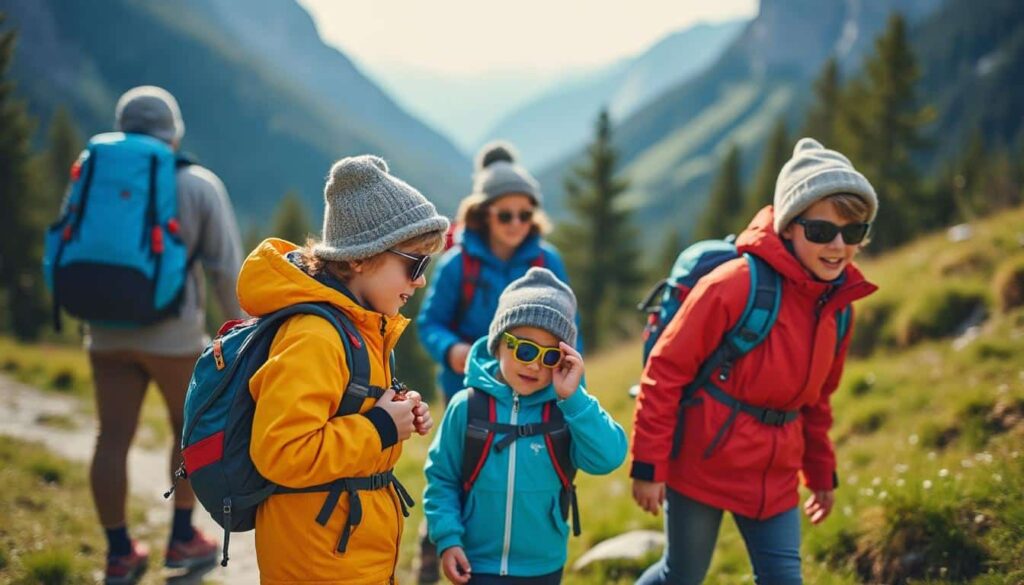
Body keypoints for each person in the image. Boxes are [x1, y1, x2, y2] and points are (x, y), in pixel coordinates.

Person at [631, 138, 879, 584]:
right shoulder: (733, 285)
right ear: (788, 227)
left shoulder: (839, 309)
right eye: (821, 231)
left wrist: (820, 472)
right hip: (702, 464)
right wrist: (649, 465)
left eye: (853, 232)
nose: (838, 246)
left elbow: (817, 400)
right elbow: (665, 371)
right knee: (681, 575)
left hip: (775, 476)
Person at [237, 154, 447, 583]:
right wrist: (381, 428)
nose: (421, 280)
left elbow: (345, 412)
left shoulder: (362, 326)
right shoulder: (314, 336)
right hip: (317, 561)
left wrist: (396, 412)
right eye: (415, 264)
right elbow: (281, 452)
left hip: (345, 549)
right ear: (359, 259)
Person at [83, 86, 245, 584]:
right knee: (189, 432)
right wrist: (244, 334)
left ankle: (118, 553)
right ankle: (181, 537)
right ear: (173, 133)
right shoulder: (197, 184)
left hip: (104, 332)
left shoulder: (93, 170)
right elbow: (226, 269)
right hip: (173, 337)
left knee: (111, 437)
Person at [416, 141, 576, 582]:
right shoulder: (457, 264)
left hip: (535, 395)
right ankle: (437, 545)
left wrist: (571, 387)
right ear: (484, 213)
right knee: (457, 470)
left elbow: (569, 328)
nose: (517, 224)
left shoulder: (547, 261)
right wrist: (452, 350)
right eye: (506, 214)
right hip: (469, 393)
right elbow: (430, 322)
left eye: (526, 214)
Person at [423, 267, 626, 585]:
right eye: (525, 349)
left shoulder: (566, 412)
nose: (533, 365)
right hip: (476, 562)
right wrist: (448, 539)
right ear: (499, 344)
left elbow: (608, 458)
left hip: (543, 566)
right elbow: (441, 478)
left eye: (549, 357)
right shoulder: (466, 406)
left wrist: (574, 399)